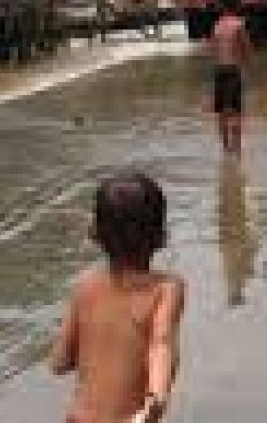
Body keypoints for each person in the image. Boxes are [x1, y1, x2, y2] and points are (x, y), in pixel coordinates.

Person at [50, 173, 186, 423]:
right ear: (161, 237)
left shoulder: (84, 286)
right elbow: (161, 343)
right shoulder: (166, 288)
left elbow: (59, 362)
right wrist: (156, 399)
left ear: (95, 235)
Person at [212, 0, 252, 157]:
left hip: (219, 71)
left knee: (221, 112)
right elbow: (247, 50)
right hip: (233, 70)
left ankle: (225, 148)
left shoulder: (217, 25)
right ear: (238, 4)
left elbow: (213, 49)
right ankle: (237, 150)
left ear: (220, 5)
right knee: (236, 111)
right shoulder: (239, 25)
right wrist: (246, 70)